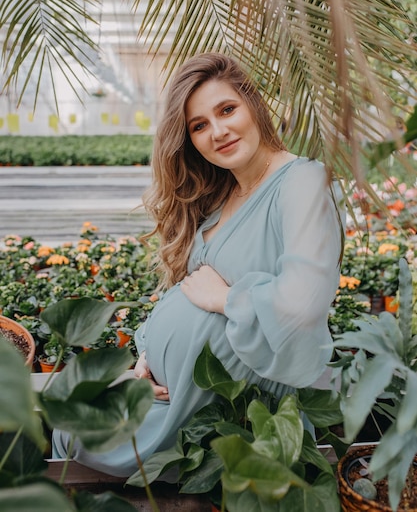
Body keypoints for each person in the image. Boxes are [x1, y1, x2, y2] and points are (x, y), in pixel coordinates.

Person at [53, 52, 345, 476]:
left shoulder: (302, 181)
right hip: (173, 400)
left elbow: (304, 304)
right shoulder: (222, 194)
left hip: (230, 419)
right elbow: (186, 292)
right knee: (66, 421)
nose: (218, 131)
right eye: (199, 125)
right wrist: (148, 356)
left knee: (69, 430)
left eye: (227, 110)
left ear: (255, 106)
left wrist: (226, 298)